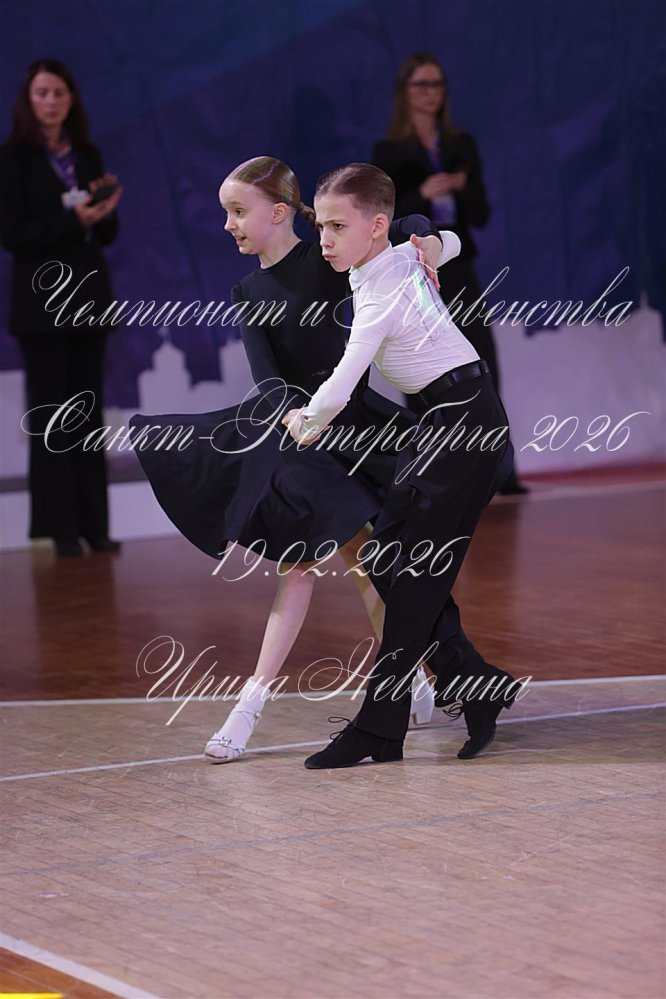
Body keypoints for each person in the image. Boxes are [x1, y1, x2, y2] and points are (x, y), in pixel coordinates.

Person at [130, 156, 455, 763]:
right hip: (297, 435)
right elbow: (268, 380)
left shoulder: (327, 257)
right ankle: (252, 703)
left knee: (368, 562)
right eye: (226, 213)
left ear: (278, 213)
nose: (228, 224)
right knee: (302, 566)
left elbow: (404, 221)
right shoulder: (247, 292)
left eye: (238, 212)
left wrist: (429, 242)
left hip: (355, 427)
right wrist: (297, 421)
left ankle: (408, 678)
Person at [282, 163, 518, 769]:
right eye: (320, 225)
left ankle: (381, 727)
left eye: (338, 226)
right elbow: (450, 240)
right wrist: (435, 245)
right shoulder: (391, 261)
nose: (325, 239)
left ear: (376, 226)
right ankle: (474, 685)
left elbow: (343, 381)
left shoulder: (382, 287)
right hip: (446, 420)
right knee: (391, 561)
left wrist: (303, 423)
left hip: (463, 424)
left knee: (410, 573)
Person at [373, 52, 528, 495]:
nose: (431, 93)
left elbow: (479, 214)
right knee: (419, 367)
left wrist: (460, 189)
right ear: (405, 92)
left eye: (438, 84)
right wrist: (423, 193)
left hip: (458, 265)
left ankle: (499, 469)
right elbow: (385, 219)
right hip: (415, 272)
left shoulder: (460, 145)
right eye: (422, 85)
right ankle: (427, 467)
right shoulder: (389, 152)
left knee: (481, 362)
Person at [0, 59, 123, 556]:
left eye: (58, 93)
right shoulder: (14, 158)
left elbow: (106, 233)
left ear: (71, 99)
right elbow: (14, 234)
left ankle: (96, 526)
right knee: (53, 417)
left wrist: (103, 210)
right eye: (42, 93)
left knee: (88, 416)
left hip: (87, 299)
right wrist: (76, 220)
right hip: (41, 306)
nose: (51, 102)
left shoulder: (85, 154)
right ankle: (61, 529)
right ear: (28, 101)